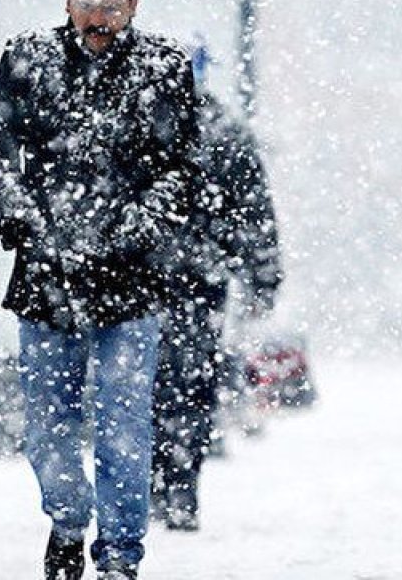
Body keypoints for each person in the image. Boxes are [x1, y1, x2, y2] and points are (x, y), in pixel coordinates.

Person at [0, 0, 202, 580]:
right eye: (86, 4)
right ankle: (69, 518)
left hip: (133, 275)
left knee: (125, 422)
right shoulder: (28, 59)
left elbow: (182, 166)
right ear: (67, 1)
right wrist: (25, 223)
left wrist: (137, 226)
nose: (97, 19)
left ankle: (121, 555)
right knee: (49, 425)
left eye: (109, 6)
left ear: (133, 5)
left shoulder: (164, 67)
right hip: (48, 275)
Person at [151, 40, 283, 532]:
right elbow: (256, 214)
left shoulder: (146, 127)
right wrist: (261, 276)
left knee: (150, 383)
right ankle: (180, 483)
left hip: (150, 280)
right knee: (190, 383)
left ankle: (156, 483)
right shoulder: (225, 131)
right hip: (198, 281)